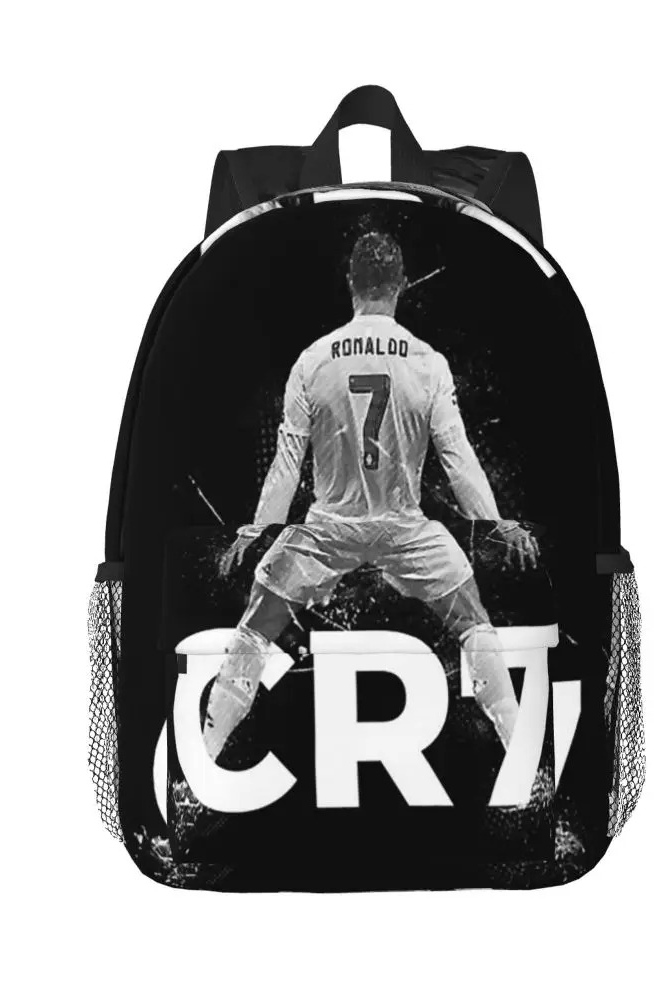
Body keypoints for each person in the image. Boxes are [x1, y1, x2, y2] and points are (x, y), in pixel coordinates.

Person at [204, 231, 538, 763]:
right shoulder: (428, 362)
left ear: (350, 283)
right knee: (474, 621)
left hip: (328, 530)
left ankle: (204, 758)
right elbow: (458, 457)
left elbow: (287, 464)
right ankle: (522, 760)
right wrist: (495, 522)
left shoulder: (313, 360)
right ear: (402, 284)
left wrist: (255, 531)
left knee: (255, 626)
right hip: (406, 530)